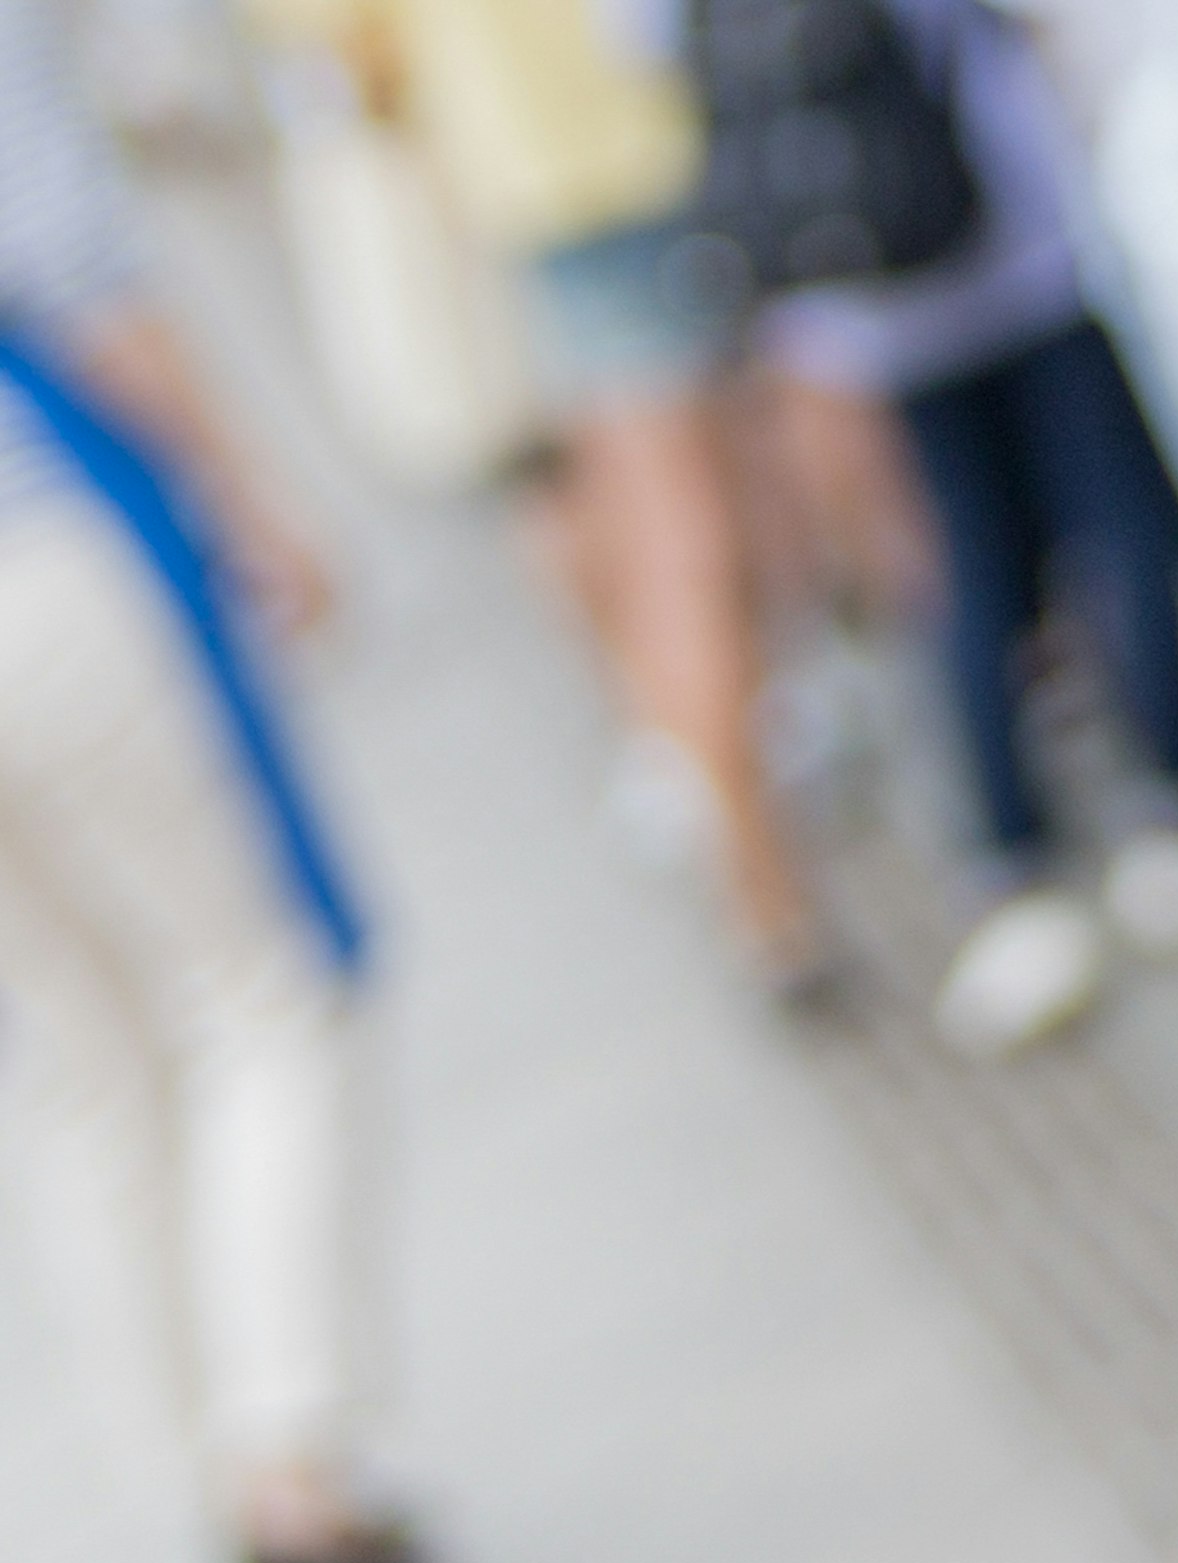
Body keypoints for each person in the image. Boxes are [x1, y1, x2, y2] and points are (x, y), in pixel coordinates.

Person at [0, 0, 432, 1563]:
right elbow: (72, 271)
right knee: (261, 991)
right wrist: (255, 493)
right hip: (41, 555)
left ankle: (195, 1474)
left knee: (88, 1054)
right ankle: (294, 1463)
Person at [259, 0, 828, 993]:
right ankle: (754, 860)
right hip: (649, 118)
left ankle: (700, 784)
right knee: (693, 504)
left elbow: (341, 46)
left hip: (521, 158)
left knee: (589, 489)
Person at [763, 0, 1178, 1059]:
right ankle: (1169, 796)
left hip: (862, 262)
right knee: (1116, 511)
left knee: (959, 566)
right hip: (1017, 213)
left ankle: (1014, 856)